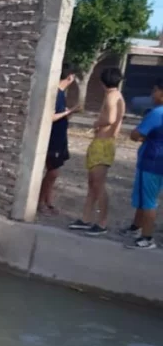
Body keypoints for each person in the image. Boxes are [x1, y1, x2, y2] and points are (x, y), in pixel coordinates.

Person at [68, 67, 126, 236]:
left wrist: (97, 123)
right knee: (93, 184)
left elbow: (110, 118)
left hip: (103, 144)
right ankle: (86, 219)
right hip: (103, 143)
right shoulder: (118, 96)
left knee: (98, 185)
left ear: (102, 82)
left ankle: (102, 223)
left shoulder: (110, 96)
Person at [119, 79, 163, 250]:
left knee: (149, 201)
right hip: (155, 160)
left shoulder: (157, 113)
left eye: (155, 90)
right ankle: (135, 227)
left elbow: (135, 134)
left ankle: (147, 238)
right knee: (143, 197)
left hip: (152, 161)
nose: (152, 94)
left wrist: (142, 136)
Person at [38, 63, 79, 215]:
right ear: (69, 77)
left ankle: (48, 201)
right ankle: (40, 202)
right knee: (52, 172)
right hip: (53, 139)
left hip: (60, 137)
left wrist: (68, 113)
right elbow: (51, 116)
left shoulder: (61, 94)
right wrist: (71, 111)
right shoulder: (56, 94)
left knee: (54, 173)